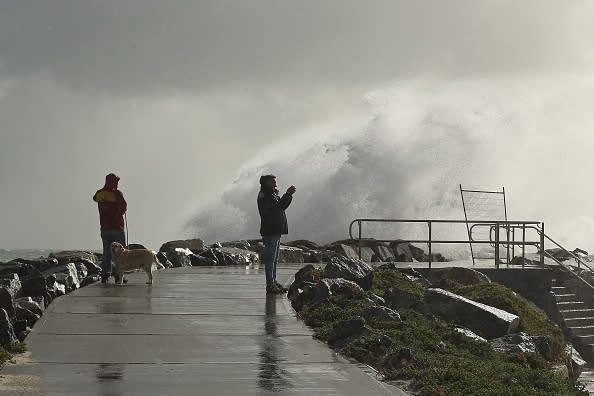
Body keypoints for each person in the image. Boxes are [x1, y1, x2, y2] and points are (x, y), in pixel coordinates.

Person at [257, 174, 296, 294]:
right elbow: (278, 206)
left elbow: (282, 207)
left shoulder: (272, 194)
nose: (275, 184)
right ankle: (270, 284)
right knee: (270, 259)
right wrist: (288, 194)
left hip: (275, 230)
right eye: (273, 182)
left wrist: (288, 195)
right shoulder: (266, 195)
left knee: (274, 259)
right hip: (271, 231)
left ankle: (273, 282)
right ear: (266, 183)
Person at [93, 173, 127, 284]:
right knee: (120, 253)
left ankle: (105, 275)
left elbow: (95, 199)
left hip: (105, 228)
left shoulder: (100, 194)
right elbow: (123, 207)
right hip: (117, 228)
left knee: (107, 252)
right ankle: (119, 275)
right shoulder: (117, 193)